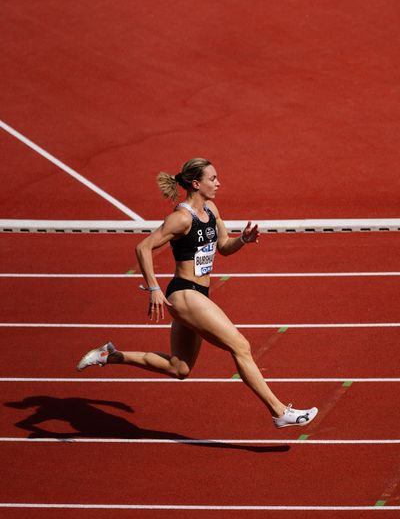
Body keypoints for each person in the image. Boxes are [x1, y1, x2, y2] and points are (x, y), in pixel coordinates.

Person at [76, 158, 318, 429]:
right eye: (212, 178)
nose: (218, 183)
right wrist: (154, 287)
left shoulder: (211, 209)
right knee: (241, 346)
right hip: (184, 293)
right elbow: (143, 248)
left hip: (199, 294)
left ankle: (109, 355)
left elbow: (224, 246)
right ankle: (279, 411)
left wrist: (244, 240)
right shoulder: (180, 218)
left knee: (179, 368)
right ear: (196, 183)